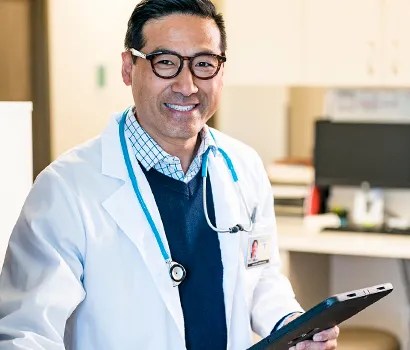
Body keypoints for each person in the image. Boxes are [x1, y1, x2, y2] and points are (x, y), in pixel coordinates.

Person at [0, 1, 339, 349]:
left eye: (204, 64)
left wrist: (291, 324)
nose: (187, 85)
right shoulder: (65, 189)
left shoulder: (244, 167)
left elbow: (261, 275)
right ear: (128, 68)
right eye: (166, 63)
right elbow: (26, 333)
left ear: (221, 72)